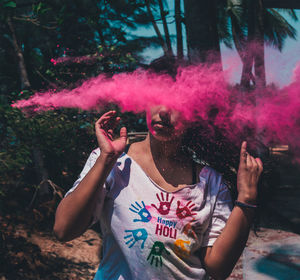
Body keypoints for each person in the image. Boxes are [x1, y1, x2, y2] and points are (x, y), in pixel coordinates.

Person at [54, 107, 263, 280]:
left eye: (177, 104)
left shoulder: (211, 183)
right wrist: (105, 160)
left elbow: (218, 268)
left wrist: (246, 199)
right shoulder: (114, 161)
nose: (163, 110)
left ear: (193, 115)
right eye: (157, 95)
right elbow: (64, 230)